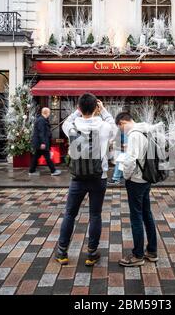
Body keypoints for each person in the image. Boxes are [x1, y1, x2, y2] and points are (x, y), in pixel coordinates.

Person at [55, 94, 116, 266]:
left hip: (77, 178)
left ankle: (62, 253)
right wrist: (103, 109)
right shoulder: (104, 126)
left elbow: (66, 122)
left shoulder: (72, 125)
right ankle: (91, 253)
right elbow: (114, 127)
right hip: (99, 177)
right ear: (96, 107)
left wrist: (76, 112)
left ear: (80, 108)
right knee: (95, 215)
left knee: (70, 214)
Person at [115, 112, 158, 267]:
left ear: (122, 122)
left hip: (136, 180)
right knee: (147, 214)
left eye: (120, 128)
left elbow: (131, 160)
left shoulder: (134, 135)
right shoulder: (146, 130)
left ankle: (137, 255)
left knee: (136, 217)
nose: (122, 131)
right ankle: (152, 251)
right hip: (147, 177)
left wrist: (125, 176)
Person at [29, 107, 61, 176]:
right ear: (46, 113)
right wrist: (43, 143)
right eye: (49, 112)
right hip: (41, 143)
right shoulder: (41, 120)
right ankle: (53, 171)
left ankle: (31, 171)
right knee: (47, 157)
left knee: (36, 156)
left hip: (40, 142)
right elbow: (41, 132)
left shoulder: (42, 119)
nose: (50, 114)